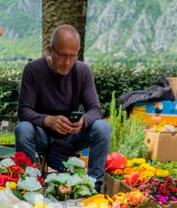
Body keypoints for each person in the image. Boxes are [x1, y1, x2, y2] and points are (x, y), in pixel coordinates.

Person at [15, 24, 111, 192]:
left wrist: (83, 121)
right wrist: (47, 120)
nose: (68, 63)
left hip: (72, 135)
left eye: (73, 57)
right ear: (49, 50)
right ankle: (28, 186)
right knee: (23, 129)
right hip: (43, 136)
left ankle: (93, 187)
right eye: (63, 56)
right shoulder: (33, 70)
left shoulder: (83, 71)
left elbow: (96, 110)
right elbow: (23, 111)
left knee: (103, 127)